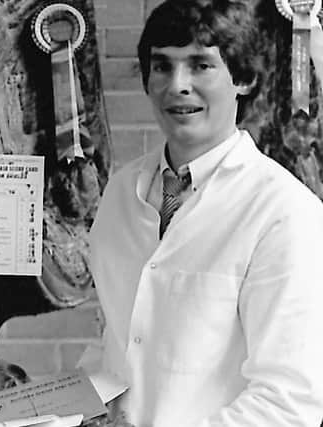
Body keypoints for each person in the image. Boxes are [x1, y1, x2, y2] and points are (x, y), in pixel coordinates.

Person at [79, 0, 323, 426]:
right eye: (162, 66)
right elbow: (116, 345)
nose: (178, 85)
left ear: (243, 78)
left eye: (200, 65)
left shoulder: (285, 213)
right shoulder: (121, 192)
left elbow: (289, 404)